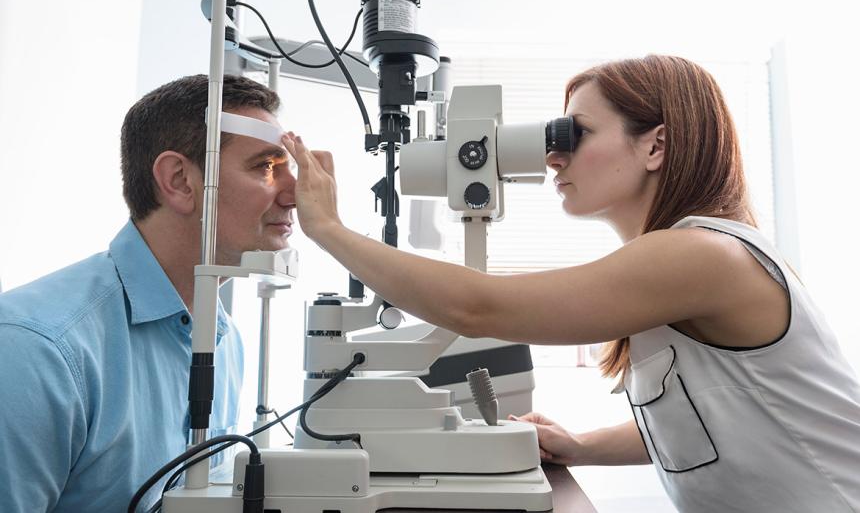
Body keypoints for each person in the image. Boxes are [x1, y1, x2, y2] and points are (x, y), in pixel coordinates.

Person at [282, 55, 860, 511]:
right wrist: (582, 447)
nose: (553, 156)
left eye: (575, 133)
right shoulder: (687, 260)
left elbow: (480, 308)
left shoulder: (702, 256)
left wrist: (328, 229)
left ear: (655, 144)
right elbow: (712, 421)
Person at [0, 74, 297, 512]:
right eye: (266, 167)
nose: (294, 194)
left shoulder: (222, 340)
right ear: (179, 180)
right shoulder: (37, 349)